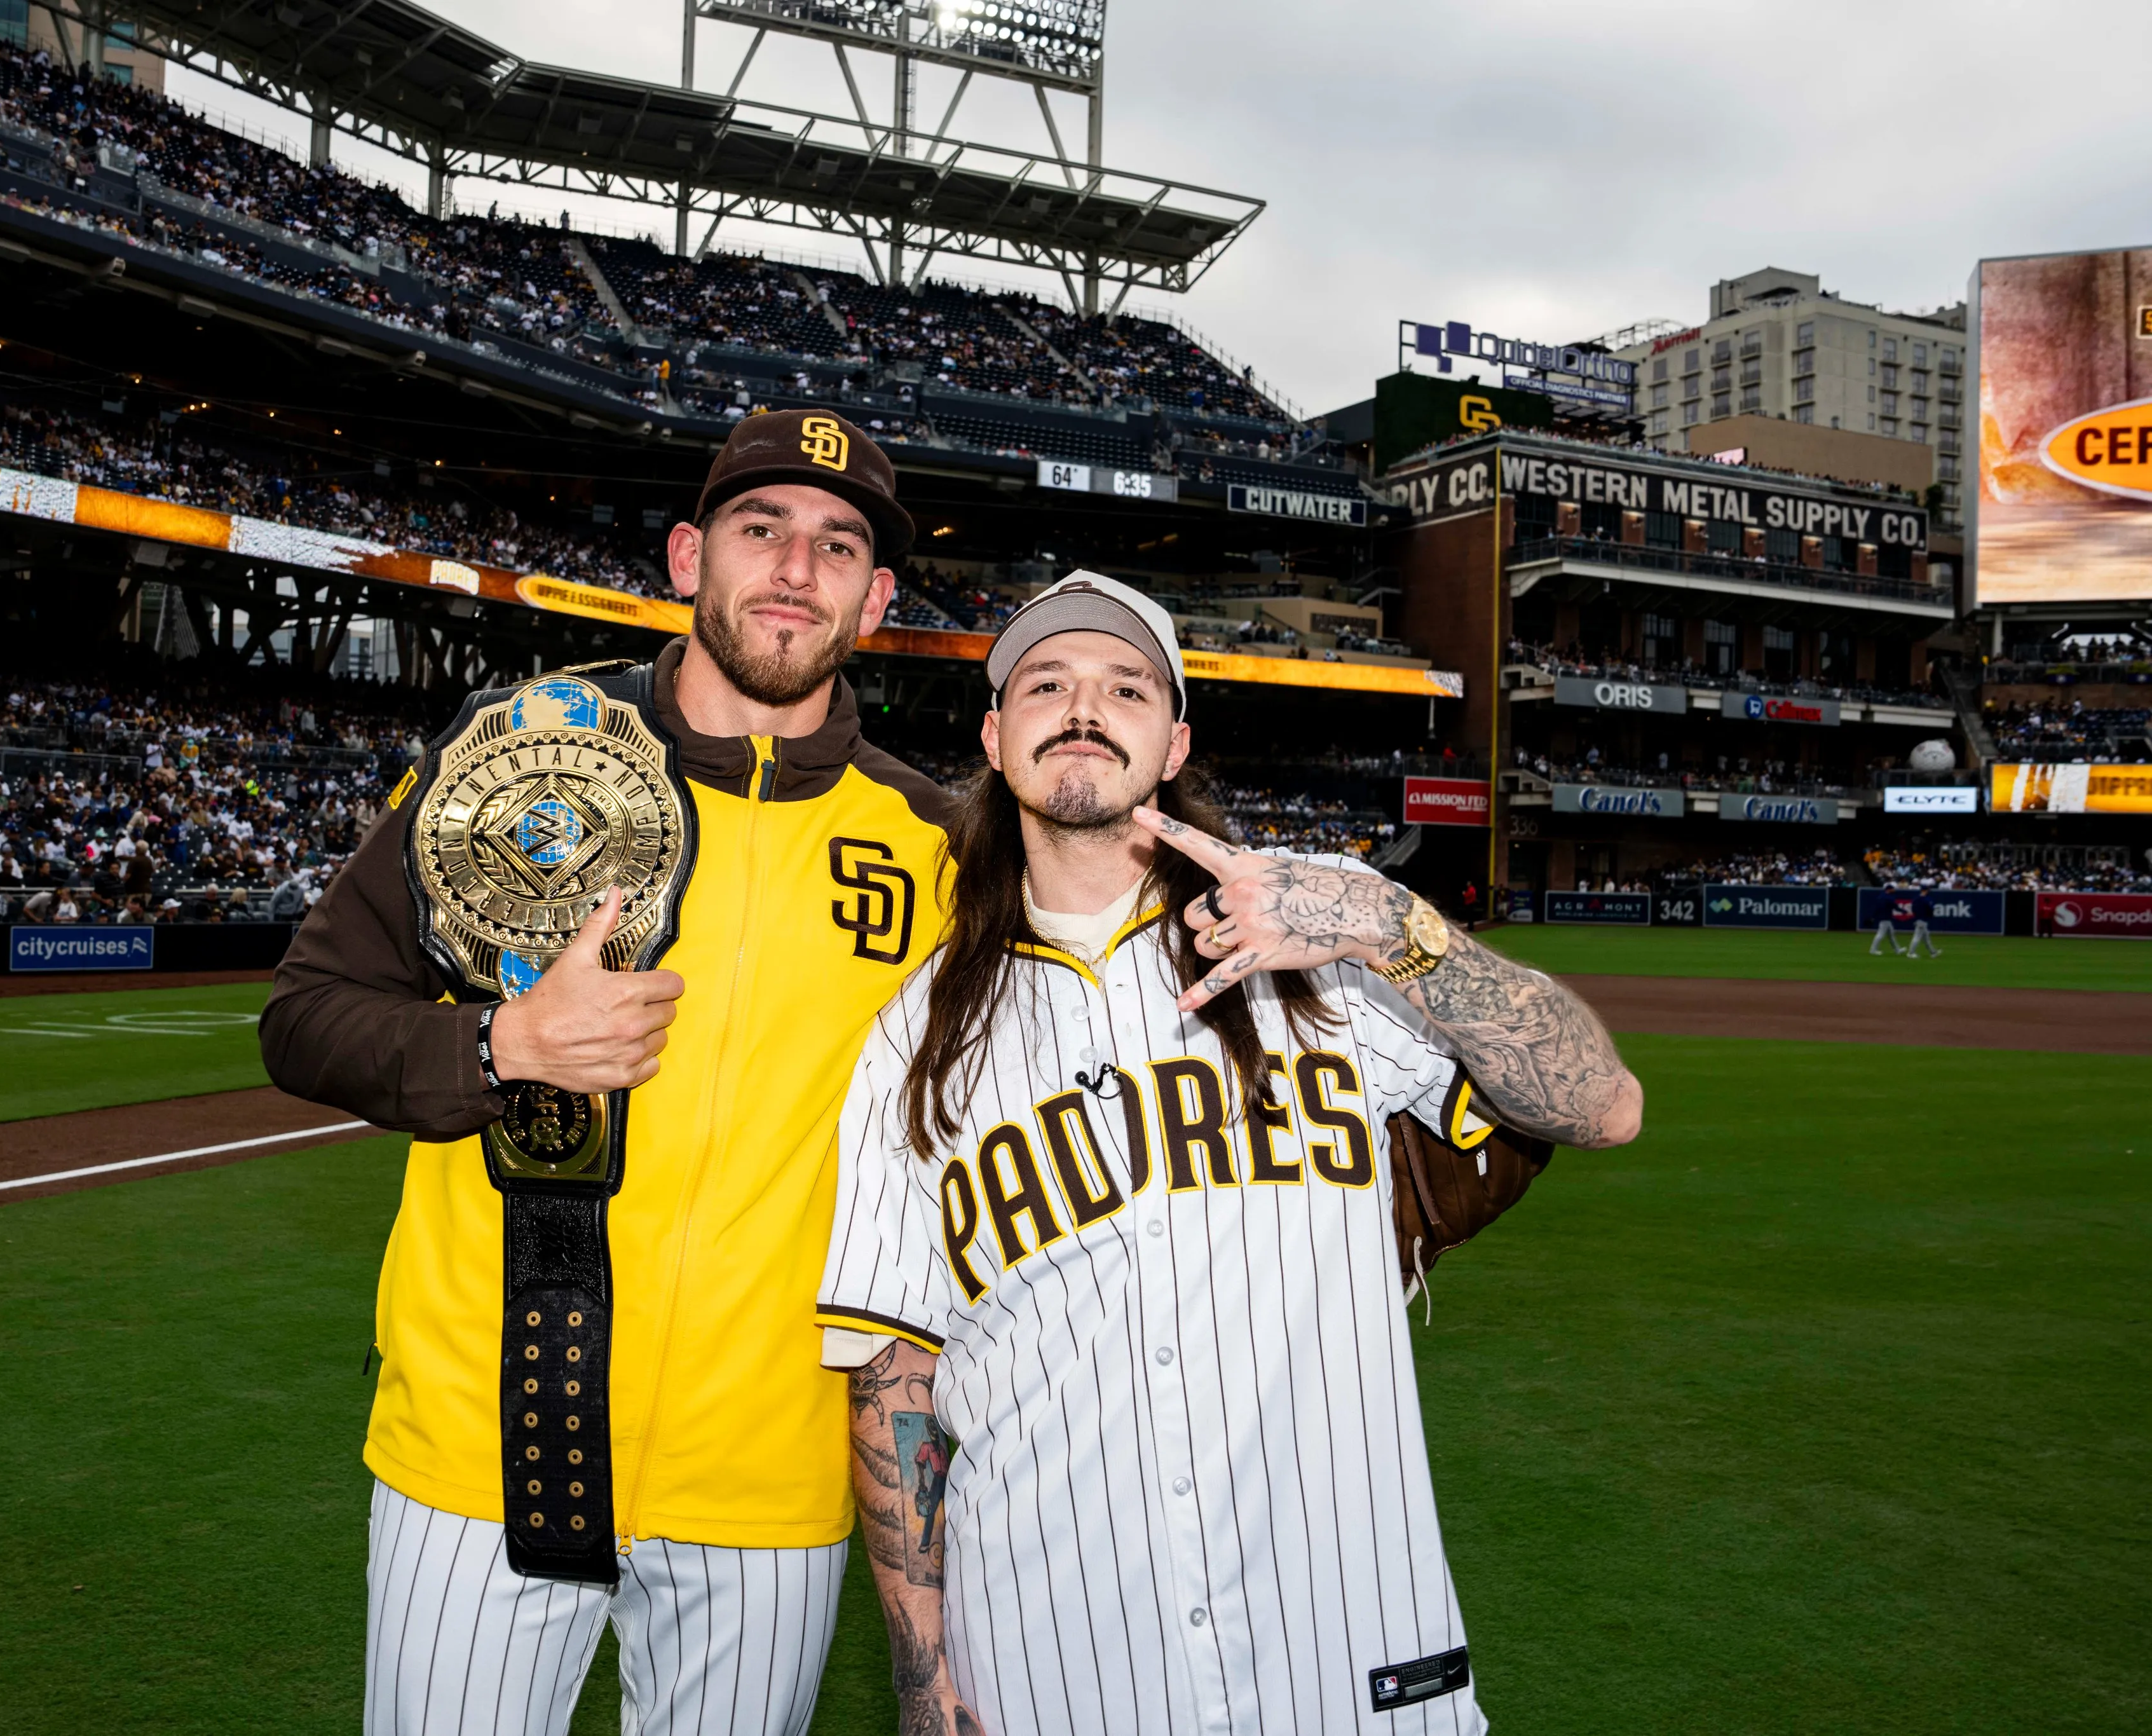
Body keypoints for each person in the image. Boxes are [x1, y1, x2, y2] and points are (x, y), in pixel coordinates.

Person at [819, 572, 1645, 1735]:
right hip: (1054, 1666)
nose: (1084, 706)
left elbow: (1602, 1105)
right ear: (996, 740)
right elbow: (891, 1371)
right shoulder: (914, 1041)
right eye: (1047, 684)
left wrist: (1394, 927)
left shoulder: (1329, 940)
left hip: (1353, 1648)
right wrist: (922, 1680)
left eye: (1127, 687)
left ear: (1175, 743)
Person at [261, 409, 953, 1735]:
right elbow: (305, 1017)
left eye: (837, 545)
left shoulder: (933, 844)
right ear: (689, 556)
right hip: (483, 1447)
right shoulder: (519, 749)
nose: (794, 568)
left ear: (876, 600)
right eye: (761, 529)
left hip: (769, 1484)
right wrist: (496, 1046)